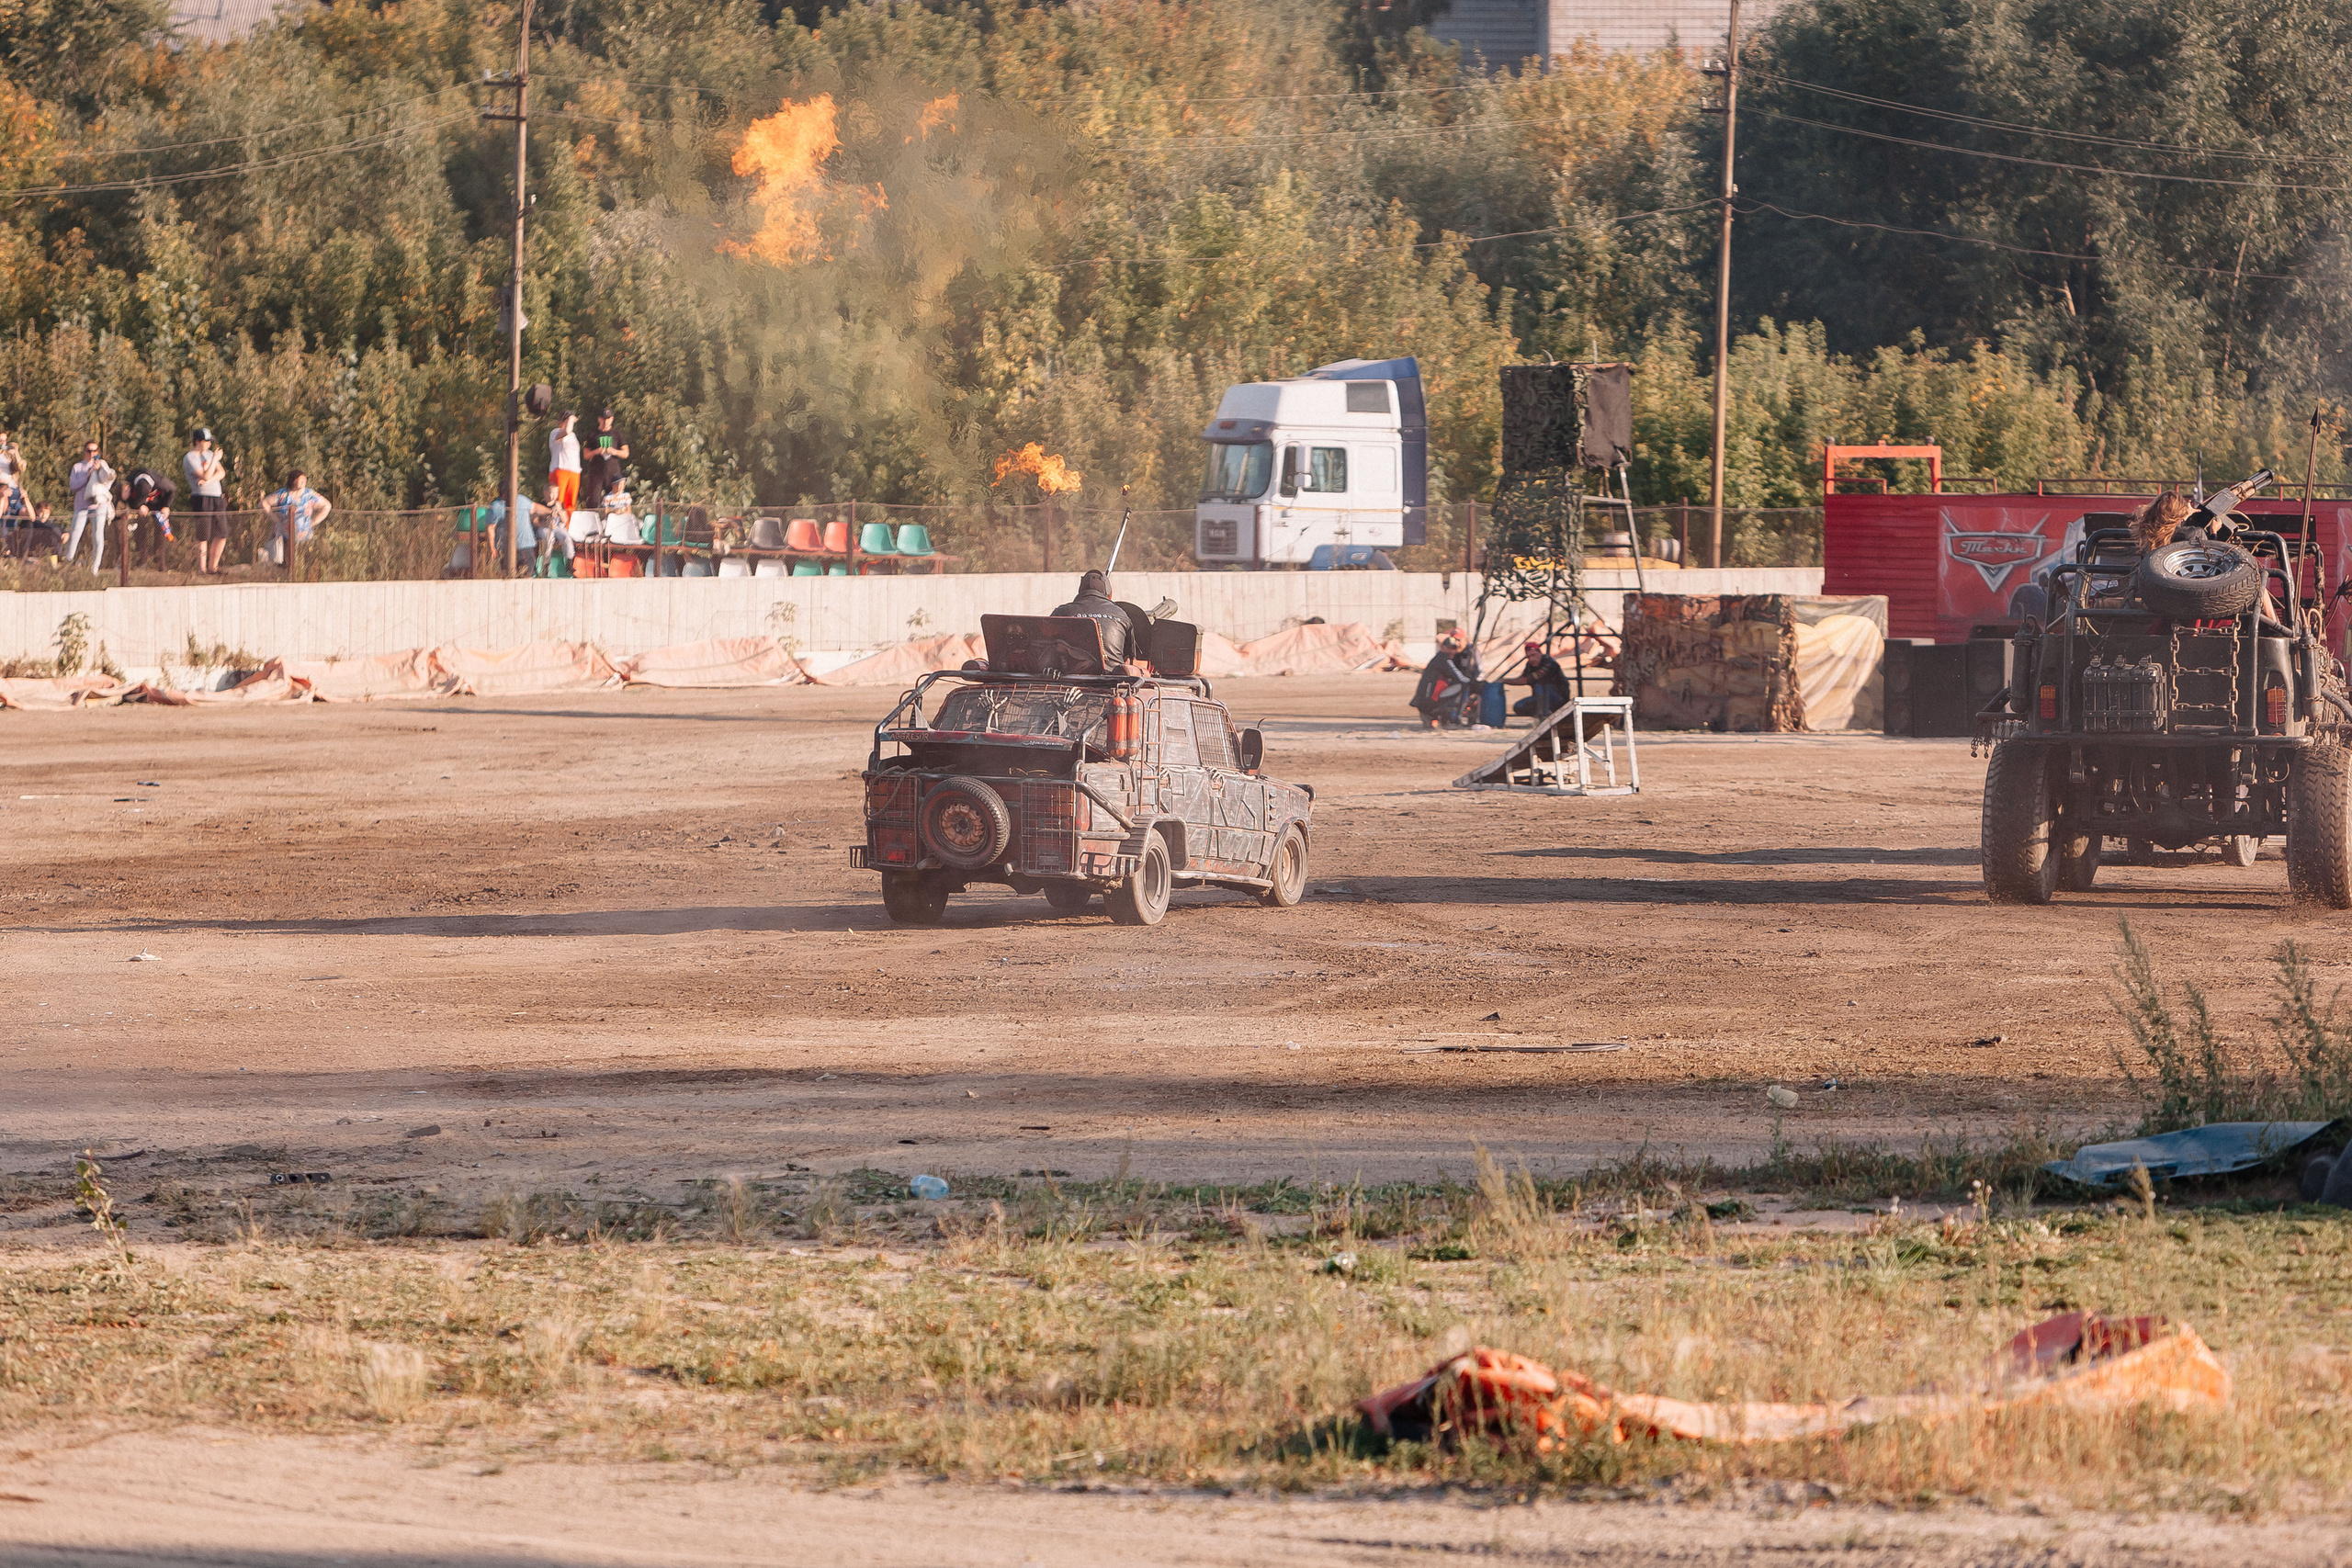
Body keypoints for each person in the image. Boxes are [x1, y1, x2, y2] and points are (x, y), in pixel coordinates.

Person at [1049, 569, 1132, 665]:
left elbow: (1048, 649)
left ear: (1080, 591)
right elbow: (1128, 657)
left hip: (1073, 677)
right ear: (1108, 593)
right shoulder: (1122, 615)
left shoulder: (1061, 612)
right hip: (1113, 678)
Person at [183, 427, 231, 575]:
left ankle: (213, 567)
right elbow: (204, 475)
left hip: (217, 497)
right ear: (197, 441)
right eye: (206, 441)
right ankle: (201, 569)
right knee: (203, 535)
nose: (209, 444)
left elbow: (221, 473)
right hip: (202, 498)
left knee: (222, 533)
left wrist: (207, 479)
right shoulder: (190, 457)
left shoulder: (209, 454)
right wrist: (214, 462)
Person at [1410, 630, 1481, 728]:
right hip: (1429, 702)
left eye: (1454, 648)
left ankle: (1441, 718)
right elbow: (1460, 678)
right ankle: (1453, 719)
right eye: (1449, 648)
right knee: (1463, 686)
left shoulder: (1439, 658)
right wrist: (1474, 683)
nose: (1452, 651)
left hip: (1424, 701)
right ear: (1442, 647)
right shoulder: (1444, 660)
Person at [114, 468, 177, 569]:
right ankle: (141, 562)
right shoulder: (129, 481)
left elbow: (172, 490)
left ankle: (159, 563)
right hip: (139, 507)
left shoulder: (160, 482)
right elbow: (124, 500)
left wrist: (166, 506)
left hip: (158, 505)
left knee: (160, 529)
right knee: (140, 529)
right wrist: (139, 506)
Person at [67, 439, 115, 570]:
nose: (92, 453)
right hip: (81, 506)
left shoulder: (103, 465)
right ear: (84, 451)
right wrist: (87, 476)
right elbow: (73, 486)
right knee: (75, 533)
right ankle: (67, 563)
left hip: (98, 506)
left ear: (98, 452)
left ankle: (94, 568)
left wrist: (100, 472)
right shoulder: (77, 467)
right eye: (89, 450)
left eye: (94, 450)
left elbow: (108, 485)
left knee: (98, 536)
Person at [266, 469, 331, 564]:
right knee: (285, 563)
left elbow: (327, 505)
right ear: (293, 481)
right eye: (301, 480)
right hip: (284, 536)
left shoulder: (309, 494)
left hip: (304, 537)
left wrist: (313, 522)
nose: (304, 482)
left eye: (304, 480)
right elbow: (263, 504)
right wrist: (275, 519)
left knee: (304, 562)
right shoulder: (283, 494)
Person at [1509, 637, 1575, 719]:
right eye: (1528, 657)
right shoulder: (1529, 665)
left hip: (1558, 698)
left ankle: (1544, 715)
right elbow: (1522, 678)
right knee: (1518, 706)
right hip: (1540, 699)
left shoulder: (1548, 663)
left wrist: (1504, 680)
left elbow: (1527, 679)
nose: (1531, 659)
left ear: (1539, 653)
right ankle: (1541, 713)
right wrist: (1503, 680)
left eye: (1533, 655)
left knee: (1540, 686)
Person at [580, 408, 629, 506]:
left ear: (612, 419)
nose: (605, 421)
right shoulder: (592, 434)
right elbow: (586, 455)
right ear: (599, 419)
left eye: (608, 418)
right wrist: (596, 451)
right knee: (593, 500)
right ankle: (593, 519)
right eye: (603, 419)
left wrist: (614, 451)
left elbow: (626, 453)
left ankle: (613, 519)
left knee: (614, 500)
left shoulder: (617, 434)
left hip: (613, 473)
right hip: (597, 472)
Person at [547, 412, 581, 514]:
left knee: (570, 504)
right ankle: (556, 525)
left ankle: (568, 526)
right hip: (560, 469)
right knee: (558, 501)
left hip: (574, 472)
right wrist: (571, 419)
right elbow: (567, 431)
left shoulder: (573, 435)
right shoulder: (556, 432)